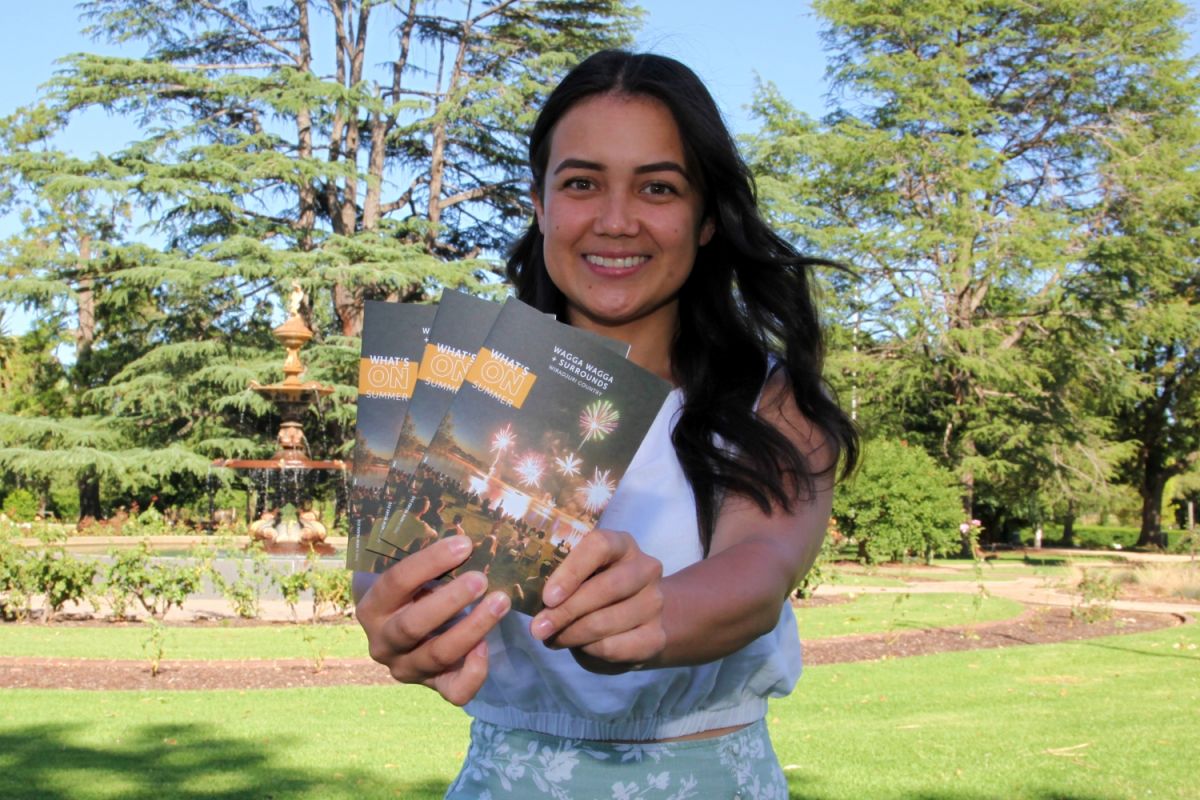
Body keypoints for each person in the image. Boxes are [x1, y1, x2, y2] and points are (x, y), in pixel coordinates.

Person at [353, 50, 858, 798]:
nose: (616, 221)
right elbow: (386, 576)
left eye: (658, 187)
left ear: (707, 218)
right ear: (540, 203)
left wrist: (653, 613)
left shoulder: (770, 399)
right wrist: (395, 620)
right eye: (582, 183)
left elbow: (760, 573)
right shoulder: (450, 388)